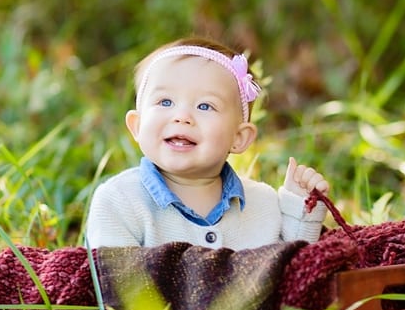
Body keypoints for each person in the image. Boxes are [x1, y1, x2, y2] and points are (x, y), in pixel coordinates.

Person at [85, 37, 329, 249]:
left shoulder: (263, 205)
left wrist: (301, 207)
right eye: (165, 102)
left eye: (205, 106)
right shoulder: (119, 202)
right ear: (137, 125)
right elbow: (119, 290)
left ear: (239, 138)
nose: (182, 116)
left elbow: (299, 274)